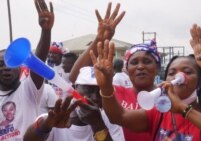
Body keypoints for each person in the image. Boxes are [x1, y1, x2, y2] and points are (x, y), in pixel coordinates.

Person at [90, 24, 201, 141]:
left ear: (199, 82)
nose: (177, 76)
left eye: (186, 71)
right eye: (171, 73)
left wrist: (183, 108)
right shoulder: (158, 114)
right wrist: (106, 87)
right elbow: (119, 117)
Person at [23, 66, 125, 141]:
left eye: (100, 91)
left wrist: (97, 124)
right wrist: (45, 125)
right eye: (88, 89)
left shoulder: (110, 120)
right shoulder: (54, 118)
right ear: (75, 88)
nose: (94, 97)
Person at [0, 0, 54, 140]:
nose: (5, 68)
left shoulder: (28, 89)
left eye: (10, 64)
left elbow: (39, 60)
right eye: (1, 64)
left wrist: (45, 31)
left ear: (20, 67)